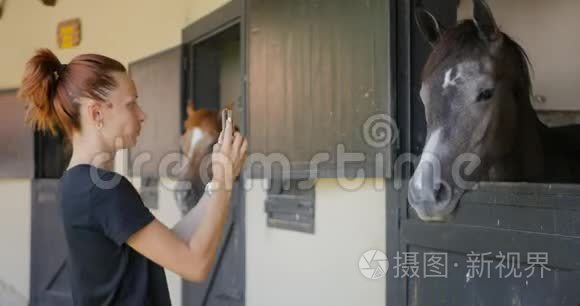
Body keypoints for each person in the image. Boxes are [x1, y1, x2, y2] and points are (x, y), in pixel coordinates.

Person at [18, 48, 247, 306]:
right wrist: (226, 183)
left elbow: (173, 244)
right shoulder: (103, 190)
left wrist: (215, 183)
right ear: (96, 114)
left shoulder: (77, 183)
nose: (142, 114)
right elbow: (195, 264)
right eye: (131, 103)